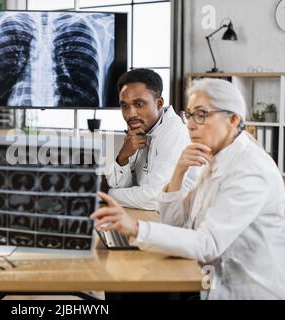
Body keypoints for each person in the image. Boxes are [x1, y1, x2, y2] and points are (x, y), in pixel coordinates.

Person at [93, 78, 285, 299]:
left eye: (202, 115)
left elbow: (207, 244)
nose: (191, 125)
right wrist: (178, 173)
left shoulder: (249, 170)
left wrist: (135, 227)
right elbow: (176, 224)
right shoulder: (214, 156)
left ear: (232, 120)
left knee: (129, 285)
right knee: (126, 283)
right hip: (208, 277)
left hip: (240, 291)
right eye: (190, 114)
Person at [106, 68, 198, 210]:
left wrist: (109, 195)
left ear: (159, 103)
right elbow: (124, 186)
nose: (131, 114)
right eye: (124, 106)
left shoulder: (174, 133)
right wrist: (123, 156)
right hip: (147, 216)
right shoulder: (138, 132)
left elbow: (156, 198)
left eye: (139, 104)